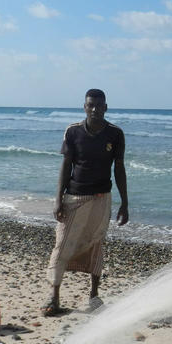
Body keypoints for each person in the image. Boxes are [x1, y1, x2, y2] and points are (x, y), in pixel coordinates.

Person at [45, 89, 129, 316]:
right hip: (74, 196)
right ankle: (53, 297)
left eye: (99, 106)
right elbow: (66, 166)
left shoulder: (115, 134)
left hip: (102, 198)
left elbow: (119, 169)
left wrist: (125, 203)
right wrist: (58, 200)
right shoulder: (73, 132)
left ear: (106, 107)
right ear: (84, 107)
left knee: (96, 244)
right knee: (61, 244)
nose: (95, 109)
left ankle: (93, 296)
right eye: (90, 105)